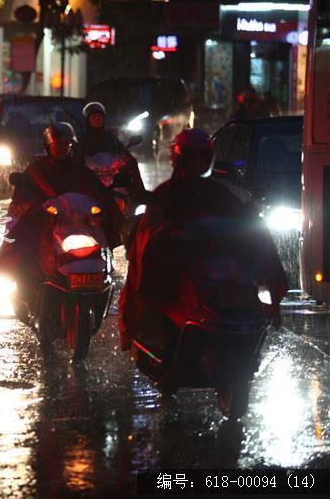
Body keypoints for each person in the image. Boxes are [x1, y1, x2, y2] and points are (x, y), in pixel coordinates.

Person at [118, 128, 288, 350]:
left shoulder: (217, 192)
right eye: (190, 157)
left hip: (216, 265)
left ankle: (264, 313)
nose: (195, 163)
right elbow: (151, 233)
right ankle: (149, 327)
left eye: (200, 157)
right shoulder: (167, 193)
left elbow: (239, 217)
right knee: (148, 255)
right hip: (180, 266)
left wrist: (250, 217)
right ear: (180, 158)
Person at [0, 122, 123, 310]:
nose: (62, 149)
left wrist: (109, 207)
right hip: (47, 224)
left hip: (78, 224)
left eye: (66, 145)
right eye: (57, 146)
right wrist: (38, 209)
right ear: (48, 147)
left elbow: (97, 192)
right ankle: (31, 289)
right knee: (24, 244)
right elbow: (24, 200)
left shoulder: (81, 170)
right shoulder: (37, 170)